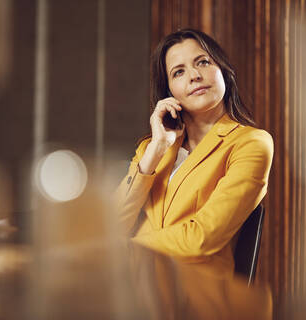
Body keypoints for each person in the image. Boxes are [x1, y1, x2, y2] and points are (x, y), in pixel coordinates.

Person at [115, 28, 273, 282]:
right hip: (138, 292)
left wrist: (123, 251)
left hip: (198, 296)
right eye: (179, 72)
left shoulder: (251, 143)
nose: (195, 76)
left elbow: (202, 238)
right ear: (169, 91)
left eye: (203, 62)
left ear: (223, 71)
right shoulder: (151, 149)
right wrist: (156, 150)